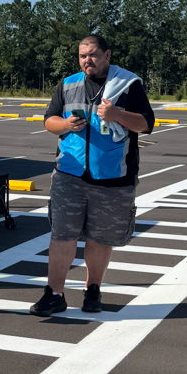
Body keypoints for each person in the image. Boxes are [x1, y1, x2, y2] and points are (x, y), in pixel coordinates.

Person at [30, 34, 154, 316]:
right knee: (62, 235)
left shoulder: (128, 84)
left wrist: (117, 114)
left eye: (93, 55)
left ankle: (92, 290)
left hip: (113, 176)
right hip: (69, 174)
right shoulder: (68, 83)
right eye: (83, 55)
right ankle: (54, 294)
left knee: (100, 237)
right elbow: (49, 120)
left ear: (107, 56)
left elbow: (147, 124)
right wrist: (65, 123)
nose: (88, 60)